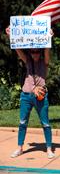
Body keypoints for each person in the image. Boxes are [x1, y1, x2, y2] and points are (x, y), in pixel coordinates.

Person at [6, 27, 55, 159]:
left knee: (45, 123)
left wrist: (49, 37)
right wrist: (11, 36)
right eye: (33, 52)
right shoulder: (27, 61)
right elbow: (17, 50)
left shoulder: (44, 63)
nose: (35, 54)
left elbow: (47, 51)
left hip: (41, 96)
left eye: (37, 51)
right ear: (30, 52)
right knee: (22, 122)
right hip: (26, 95)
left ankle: (49, 148)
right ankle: (20, 148)